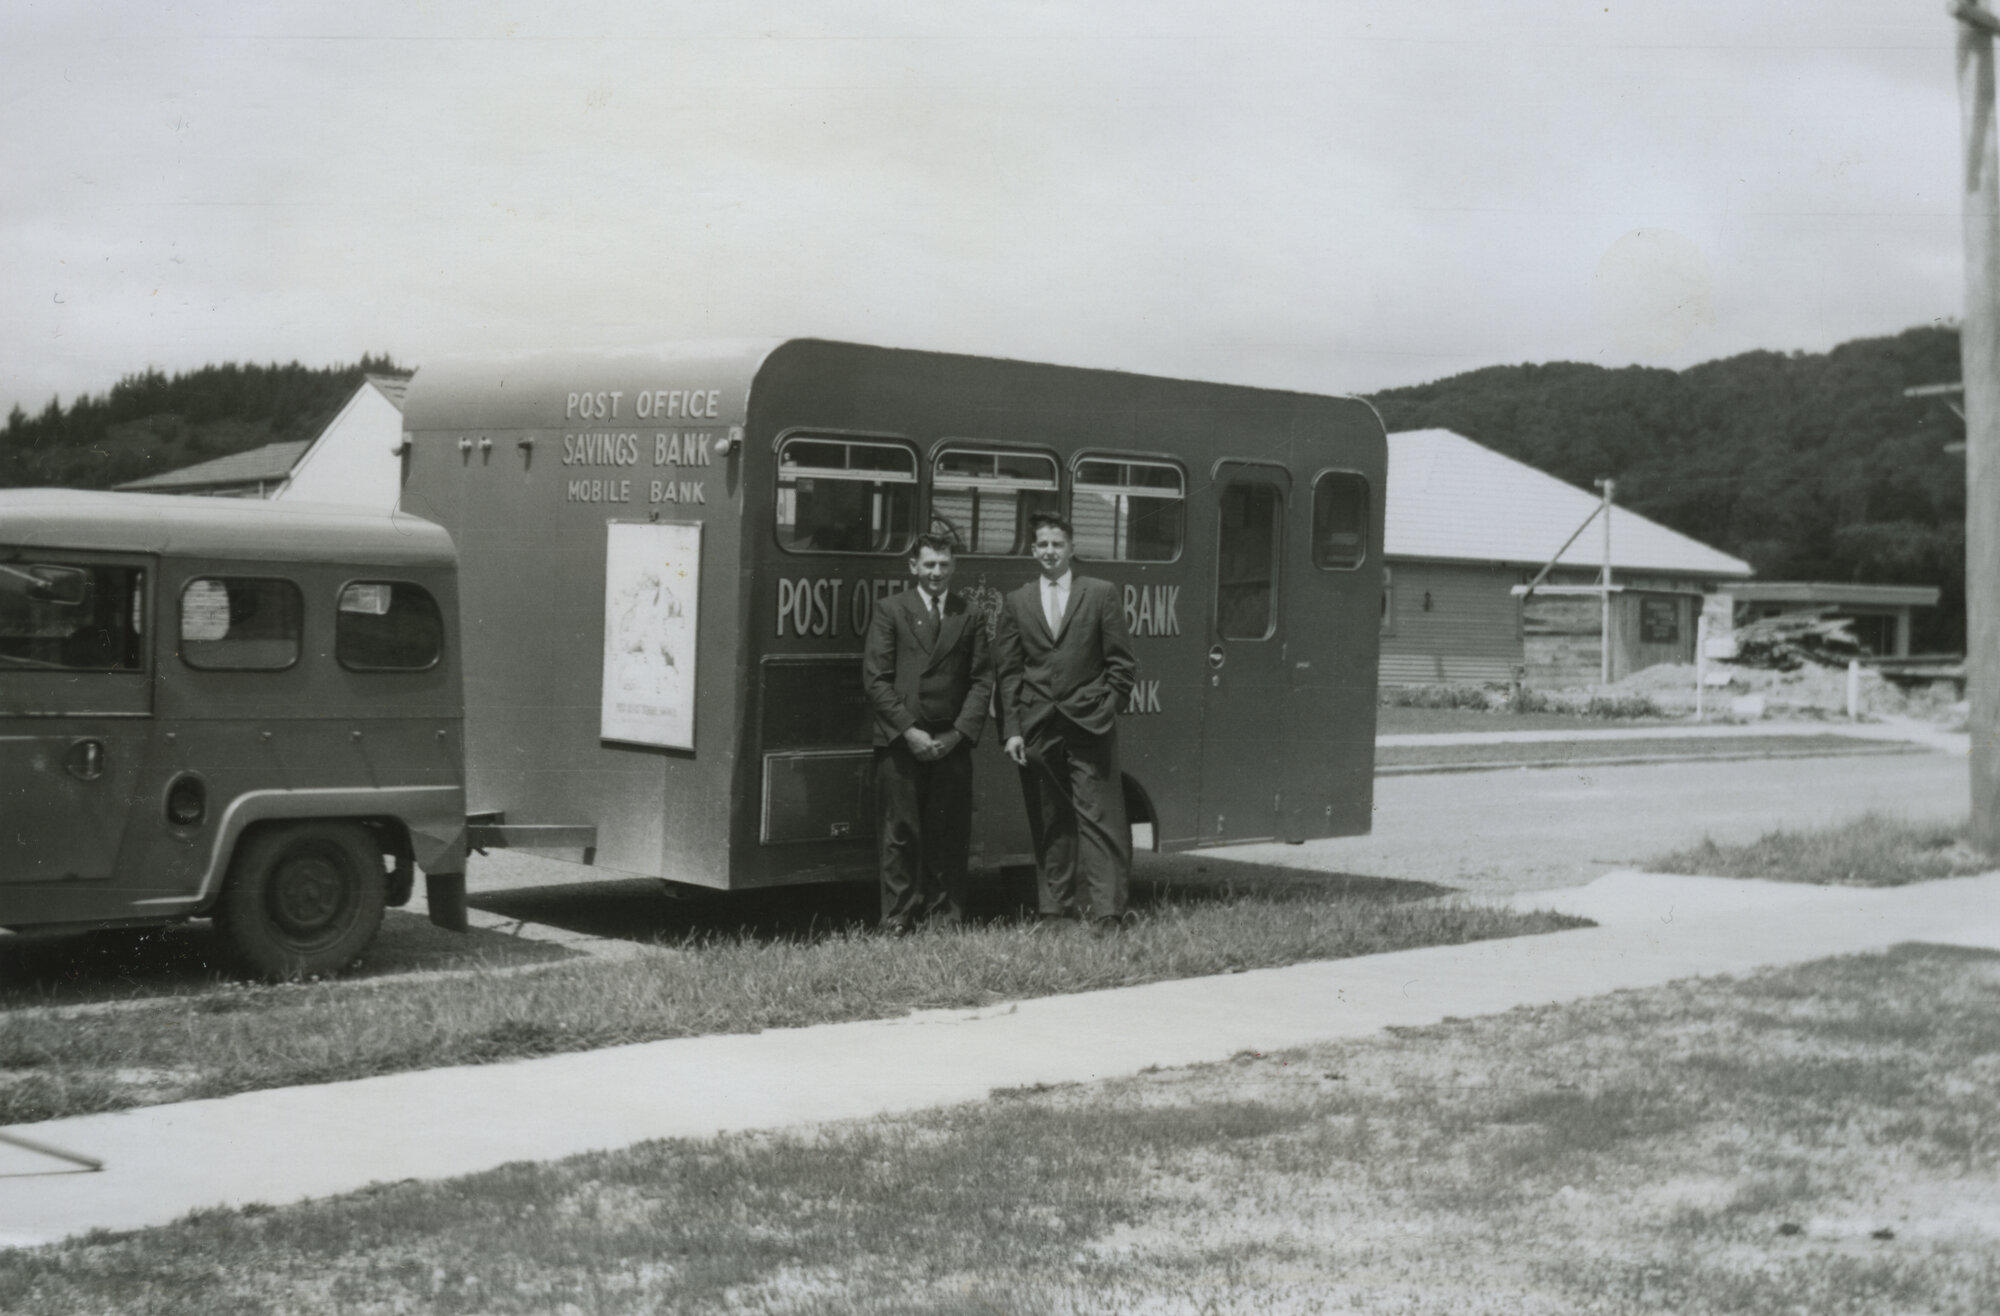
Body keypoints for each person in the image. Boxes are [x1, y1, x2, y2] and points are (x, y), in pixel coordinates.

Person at [995, 512, 1138, 933]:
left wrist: (1105, 710)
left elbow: (1122, 665)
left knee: (1100, 819)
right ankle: (1055, 912)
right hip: (1038, 727)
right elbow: (1009, 672)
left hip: (1090, 725)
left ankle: (1108, 913)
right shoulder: (1017, 601)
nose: (1050, 551)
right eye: (1042, 544)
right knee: (1050, 820)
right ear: (1033, 550)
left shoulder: (1100, 594)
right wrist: (1013, 730)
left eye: (1057, 544)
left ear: (1071, 549)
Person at [862, 532, 994, 932]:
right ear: (914, 567)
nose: (936, 572)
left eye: (944, 564)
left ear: (954, 567)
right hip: (901, 742)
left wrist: (957, 734)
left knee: (948, 832)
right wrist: (909, 731)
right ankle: (897, 917)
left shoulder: (969, 614)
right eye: (929, 564)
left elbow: (982, 681)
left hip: (950, 744)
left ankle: (944, 919)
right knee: (899, 832)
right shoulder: (891, 609)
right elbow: (876, 680)